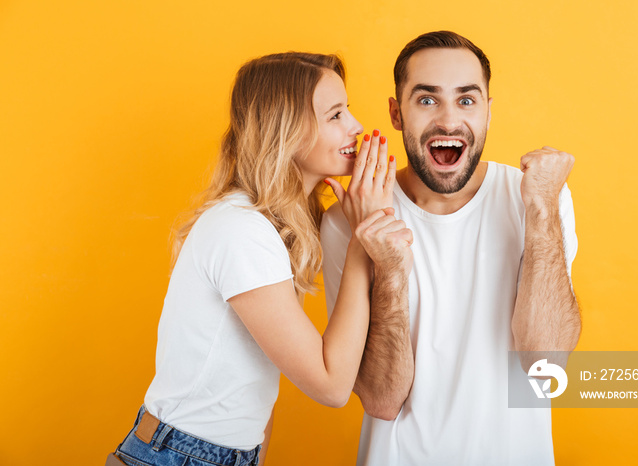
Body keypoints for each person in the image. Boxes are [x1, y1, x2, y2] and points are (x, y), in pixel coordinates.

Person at [107, 52, 412, 466]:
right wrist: (364, 242)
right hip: (175, 456)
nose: (356, 127)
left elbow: (260, 390)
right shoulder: (241, 230)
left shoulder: (277, 229)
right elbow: (331, 385)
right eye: (335, 114)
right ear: (286, 130)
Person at [321, 31, 581, 465]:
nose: (447, 120)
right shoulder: (348, 219)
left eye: (466, 100)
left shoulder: (539, 199)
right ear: (396, 113)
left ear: (487, 112)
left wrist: (541, 211)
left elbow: (544, 363)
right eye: (426, 100)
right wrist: (387, 261)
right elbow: (382, 399)